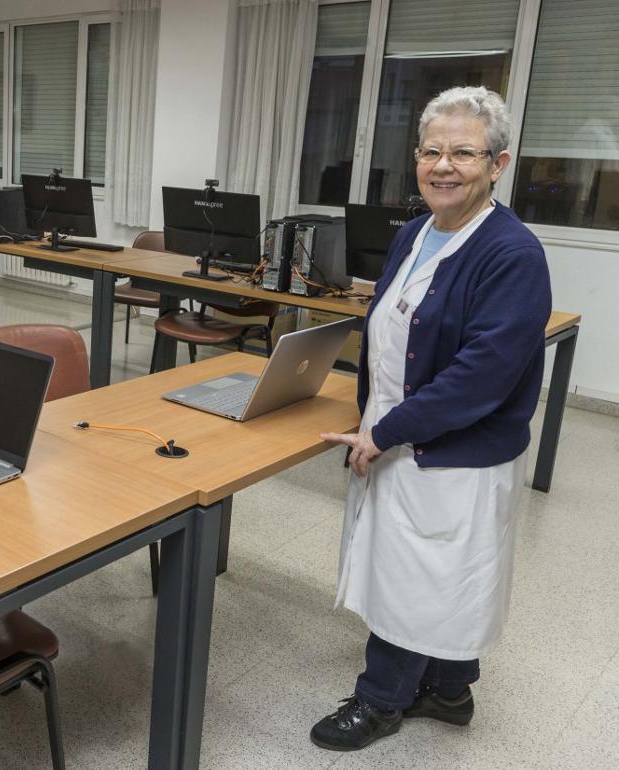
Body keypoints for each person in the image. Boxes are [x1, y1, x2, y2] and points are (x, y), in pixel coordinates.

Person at [310, 86, 552, 751]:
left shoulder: (512, 254)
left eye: (464, 153)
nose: (443, 166)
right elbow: (391, 328)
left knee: (419, 575)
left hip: (451, 445)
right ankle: (449, 689)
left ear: (497, 164)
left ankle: (380, 700)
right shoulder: (417, 233)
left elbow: (482, 376)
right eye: (432, 151)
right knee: (438, 570)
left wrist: (386, 430)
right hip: (401, 426)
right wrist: (372, 417)